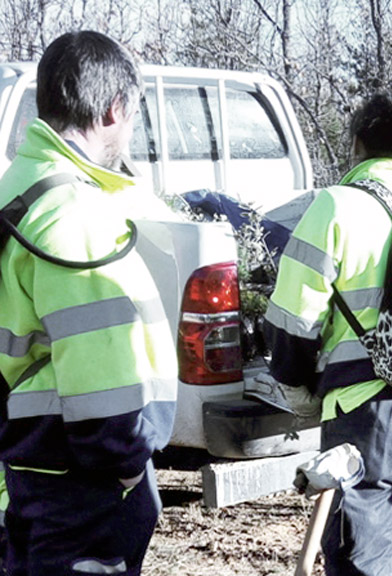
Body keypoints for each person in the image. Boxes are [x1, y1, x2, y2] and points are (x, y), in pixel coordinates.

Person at [263, 92, 392, 576]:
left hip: (367, 418)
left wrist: (297, 390)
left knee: (361, 563)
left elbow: (291, 320)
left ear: (357, 144)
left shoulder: (336, 206)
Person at [0, 31, 177, 575]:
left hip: (34, 463)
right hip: (81, 481)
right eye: (133, 116)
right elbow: (101, 375)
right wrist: (126, 467)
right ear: (113, 109)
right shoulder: (74, 215)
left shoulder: (20, 187)